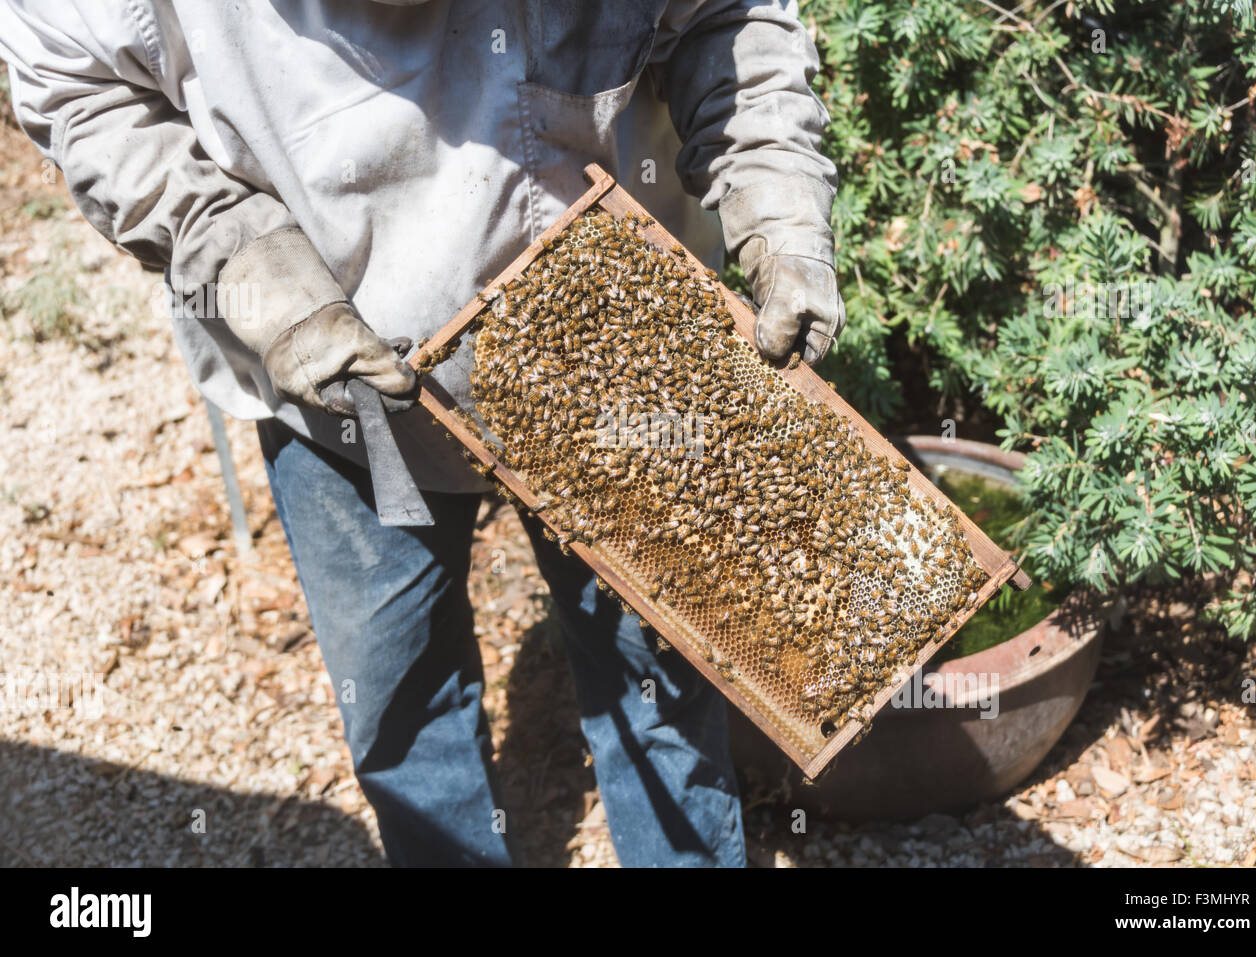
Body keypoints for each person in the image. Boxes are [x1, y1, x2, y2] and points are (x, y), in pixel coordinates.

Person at [0, 0, 843, 866]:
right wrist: (254, 270)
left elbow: (725, 19)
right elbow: (86, 90)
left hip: (623, 349)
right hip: (346, 391)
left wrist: (775, 204)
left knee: (662, 677)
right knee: (404, 707)